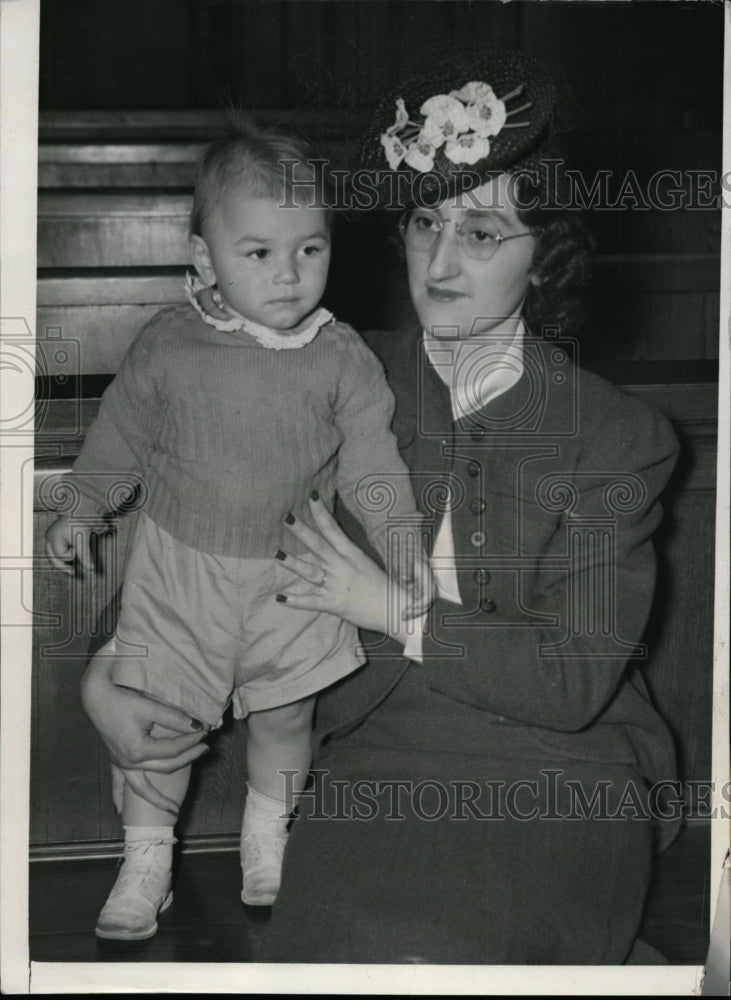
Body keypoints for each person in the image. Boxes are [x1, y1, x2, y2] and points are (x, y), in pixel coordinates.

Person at [79, 50, 681, 963]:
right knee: (342, 957)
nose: (439, 261)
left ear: (545, 255)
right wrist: (106, 670)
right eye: (423, 222)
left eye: (480, 235)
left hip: (561, 766)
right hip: (368, 749)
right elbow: (208, 525)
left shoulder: (615, 437)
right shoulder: (334, 374)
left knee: (479, 954)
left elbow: (569, 683)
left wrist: (390, 607)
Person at [45, 120, 429, 941]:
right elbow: (120, 435)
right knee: (157, 719)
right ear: (202, 257)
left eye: (309, 250)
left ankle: (267, 840)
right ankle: (145, 861)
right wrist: (81, 506)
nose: (289, 276)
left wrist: (399, 540)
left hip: (294, 573)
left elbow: (370, 461)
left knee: (286, 718)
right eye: (258, 253)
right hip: (181, 572)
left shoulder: (341, 357)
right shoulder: (171, 344)